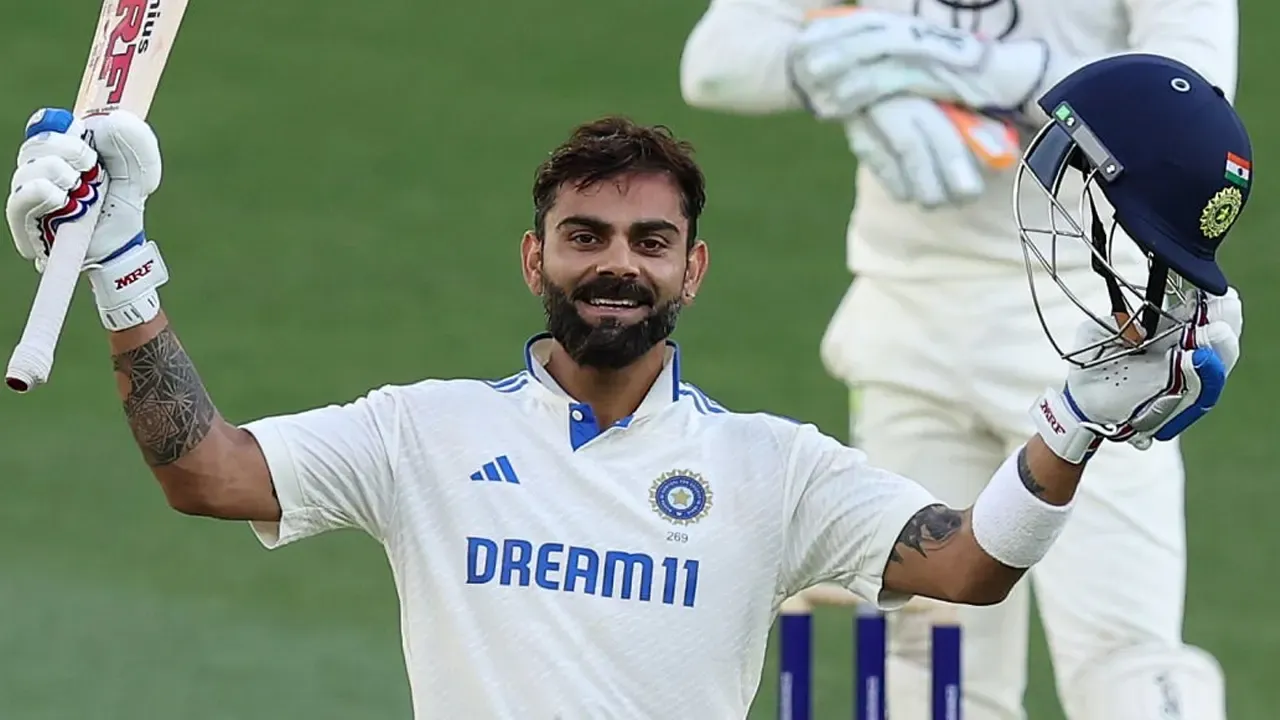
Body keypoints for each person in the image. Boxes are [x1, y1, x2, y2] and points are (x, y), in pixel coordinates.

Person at [4, 55, 1244, 718]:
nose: (616, 264)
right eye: (584, 236)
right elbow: (205, 472)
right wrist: (121, 265)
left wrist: (1075, 426)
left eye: (649, 242)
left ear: (690, 270)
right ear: (533, 256)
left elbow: (969, 567)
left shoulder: (774, 470)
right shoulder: (422, 433)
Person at [679, 1, 1242, 718]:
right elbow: (716, 60)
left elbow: (1191, 100)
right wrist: (861, 85)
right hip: (907, 315)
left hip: (1093, 313)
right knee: (932, 658)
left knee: (1123, 656)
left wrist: (963, 65)